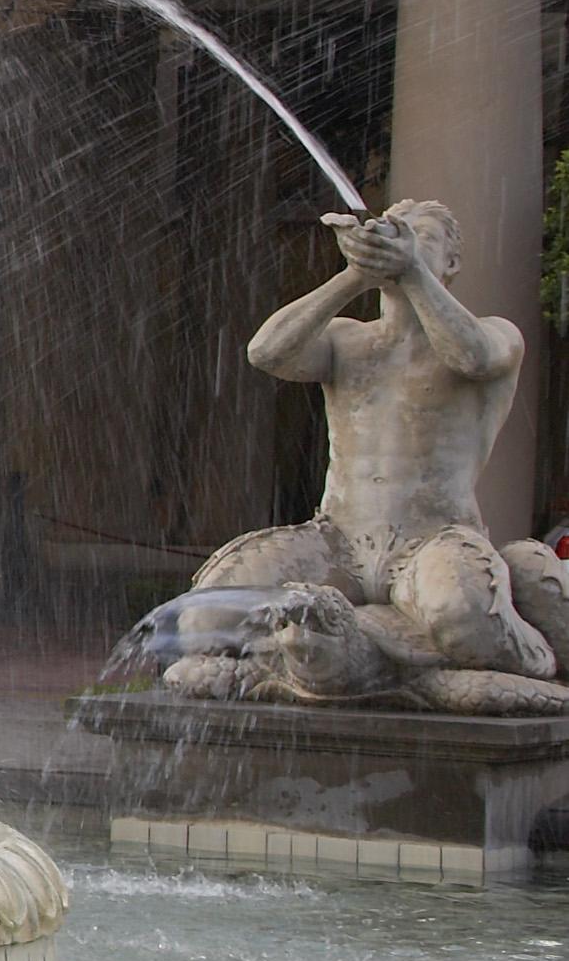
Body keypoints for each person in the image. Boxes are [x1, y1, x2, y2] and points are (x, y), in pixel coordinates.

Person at [181, 200, 569, 681]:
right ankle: (371, 648)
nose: (400, 241)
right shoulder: (346, 340)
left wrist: (411, 272)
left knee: (464, 619)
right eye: (394, 231)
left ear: (452, 263)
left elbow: (470, 358)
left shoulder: (495, 334)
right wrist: (354, 276)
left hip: (432, 539)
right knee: (203, 621)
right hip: (336, 540)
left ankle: (540, 664)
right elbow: (266, 352)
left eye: (421, 236)